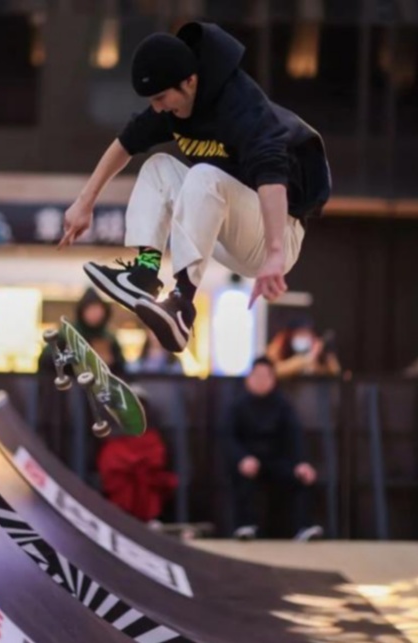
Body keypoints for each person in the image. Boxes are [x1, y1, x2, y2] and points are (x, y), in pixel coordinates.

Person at [58, 21, 331, 352]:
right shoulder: (170, 106)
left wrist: (274, 254)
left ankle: (182, 306)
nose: (158, 108)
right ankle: (144, 275)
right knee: (158, 167)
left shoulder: (242, 106)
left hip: (276, 234)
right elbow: (125, 143)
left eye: (162, 98)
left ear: (190, 81)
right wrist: (84, 203)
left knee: (204, 176)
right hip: (227, 227)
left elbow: (273, 178)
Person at [224, 356, 323, 541]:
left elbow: (295, 437)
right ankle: (245, 526)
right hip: (249, 461)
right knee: (242, 475)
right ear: (248, 379)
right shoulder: (237, 406)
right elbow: (228, 438)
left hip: (277, 461)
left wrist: (301, 463)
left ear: (273, 379)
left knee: (303, 476)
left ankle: (304, 527)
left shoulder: (283, 405)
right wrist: (242, 458)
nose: (261, 381)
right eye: (257, 376)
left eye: (266, 376)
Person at [96, 386, 178, 522]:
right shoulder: (112, 445)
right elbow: (110, 471)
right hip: (118, 514)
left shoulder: (155, 440)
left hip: (152, 515)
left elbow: (160, 470)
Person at [38, 287, 126, 375]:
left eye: (97, 309)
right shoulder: (68, 334)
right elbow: (47, 361)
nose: (94, 313)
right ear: (82, 311)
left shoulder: (108, 337)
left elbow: (121, 368)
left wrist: (110, 361)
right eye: (90, 309)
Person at [267, 318, 341, 379]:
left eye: (306, 333)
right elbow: (274, 372)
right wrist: (308, 357)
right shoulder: (281, 347)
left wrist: (328, 355)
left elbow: (335, 373)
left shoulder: (318, 350)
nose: (303, 337)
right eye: (299, 333)